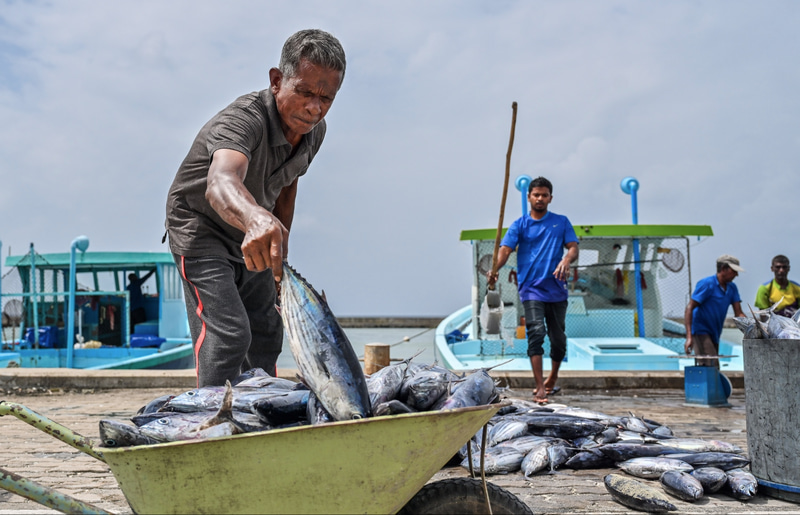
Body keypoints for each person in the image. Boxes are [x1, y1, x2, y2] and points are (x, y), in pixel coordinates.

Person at [164, 29, 346, 387]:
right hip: (201, 228)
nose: (314, 107)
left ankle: (259, 408)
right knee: (230, 334)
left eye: (326, 97)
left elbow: (287, 183)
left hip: (255, 232)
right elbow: (221, 181)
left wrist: (281, 249)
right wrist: (255, 218)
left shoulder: (315, 130)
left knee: (266, 330)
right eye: (304, 92)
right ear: (277, 81)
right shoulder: (243, 120)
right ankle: (212, 413)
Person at [487, 176, 579, 405]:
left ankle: (553, 376)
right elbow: (505, 250)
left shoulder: (561, 222)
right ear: (529, 197)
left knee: (558, 339)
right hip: (531, 289)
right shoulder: (520, 225)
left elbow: (573, 247)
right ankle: (539, 387)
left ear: (550, 198)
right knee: (536, 332)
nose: (540, 198)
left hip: (557, 289)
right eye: (536, 195)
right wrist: (495, 268)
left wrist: (566, 259)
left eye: (544, 195)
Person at [684, 254, 745, 368]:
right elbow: (689, 308)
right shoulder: (707, 284)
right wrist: (689, 337)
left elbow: (738, 313)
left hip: (715, 332)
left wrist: (752, 326)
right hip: (701, 331)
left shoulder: (732, 288)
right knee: (712, 365)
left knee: (710, 366)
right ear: (723, 269)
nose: (736, 275)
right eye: (734, 271)